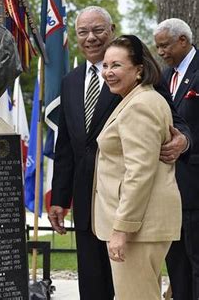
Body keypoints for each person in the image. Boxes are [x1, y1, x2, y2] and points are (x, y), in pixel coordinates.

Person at [48, 6, 190, 300]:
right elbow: (66, 147)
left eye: (98, 30)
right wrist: (60, 198)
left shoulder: (142, 85)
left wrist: (183, 141)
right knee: (94, 287)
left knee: (133, 290)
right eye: (83, 32)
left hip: (131, 210)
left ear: (111, 29)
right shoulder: (71, 81)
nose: (91, 38)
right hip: (89, 205)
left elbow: (173, 123)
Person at [93, 35, 181, 299]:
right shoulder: (136, 99)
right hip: (142, 226)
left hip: (137, 229)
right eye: (106, 66)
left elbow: (139, 173)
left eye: (117, 66)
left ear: (139, 69)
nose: (108, 73)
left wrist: (122, 229)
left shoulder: (140, 105)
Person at [154, 18, 199, 300]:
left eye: (164, 46)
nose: (160, 52)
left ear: (183, 40)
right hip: (168, 190)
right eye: (157, 47)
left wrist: (187, 143)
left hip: (195, 187)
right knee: (177, 264)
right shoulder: (162, 77)